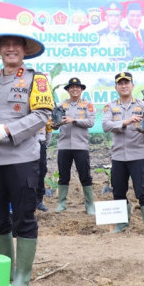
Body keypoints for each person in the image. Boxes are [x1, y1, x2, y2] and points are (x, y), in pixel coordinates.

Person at [0, 28, 52, 286]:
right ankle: (4, 272)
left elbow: (42, 115)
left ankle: (22, 276)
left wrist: (6, 131)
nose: (10, 49)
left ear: (25, 50)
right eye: (5, 45)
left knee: (23, 217)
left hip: (21, 158)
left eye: (16, 45)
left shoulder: (36, 79)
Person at [102, 72, 144, 236]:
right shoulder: (111, 106)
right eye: (120, 83)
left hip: (138, 156)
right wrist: (125, 121)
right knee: (118, 191)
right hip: (118, 157)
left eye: (127, 83)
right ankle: (122, 223)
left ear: (132, 85)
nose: (124, 85)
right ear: (116, 87)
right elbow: (105, 125)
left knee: (143, 192)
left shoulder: (143, 106)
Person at [55, 77, 96, 214]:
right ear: (68, 90)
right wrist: (56, 121)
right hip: (64, 145)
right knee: (63, 175)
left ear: (82, 90)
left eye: (77, 87)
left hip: (80, 146)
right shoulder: (61, 105)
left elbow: (90, 122)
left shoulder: (87, 105)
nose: (75, 89)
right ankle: (61, 203)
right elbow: (54, 124)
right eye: (72, 87)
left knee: (85, 175)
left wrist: (74, 120)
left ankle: (89, 205)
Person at [34, 124, 52, 212]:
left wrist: (44, 145)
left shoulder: (44, 112)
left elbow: (49, 130)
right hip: (27, 145)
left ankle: (39, 200)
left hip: (41, 144)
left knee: (42, 170)